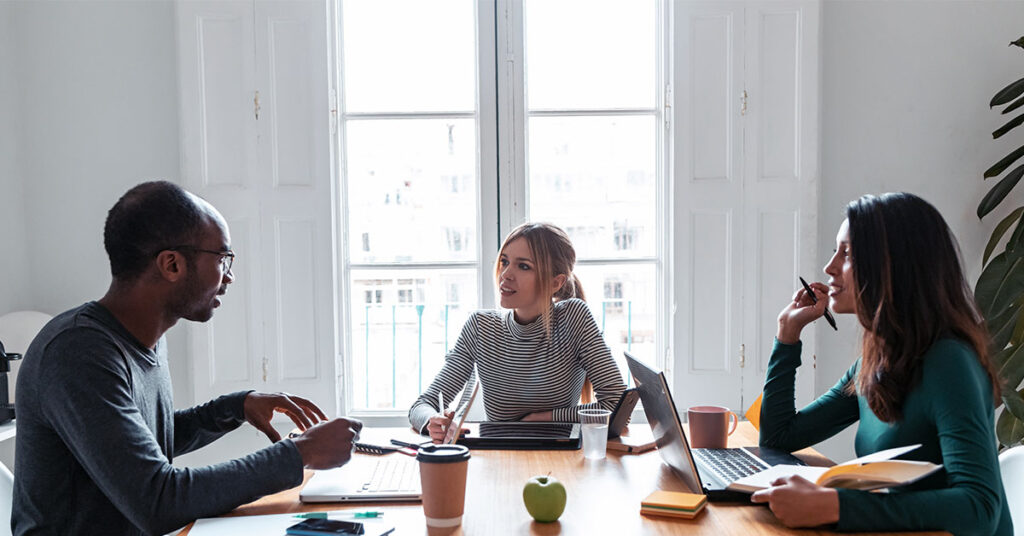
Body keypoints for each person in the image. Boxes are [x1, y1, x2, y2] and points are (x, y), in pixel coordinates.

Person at [13, 181, 363, 536]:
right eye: (223, 258)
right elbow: (159, 502)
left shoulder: (137, 339)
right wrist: (298, 454)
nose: (230, 276)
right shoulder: (78, 352)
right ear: (172, 264)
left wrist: (236, 407)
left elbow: (139, 442)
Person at [752, 192, 1012, 535]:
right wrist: (787, 334)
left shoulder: (948, 362)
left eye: (846, 253)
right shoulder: (878, 361)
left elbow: (979, 508)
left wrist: (834, 506)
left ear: (891, 266)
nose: (830, 267)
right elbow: (779, 436)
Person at [408, 222, 626, 442]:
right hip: (499, 459)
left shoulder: (574, 317)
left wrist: (545, 418)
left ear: (555, 283)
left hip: (561, 459)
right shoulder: (480, 327)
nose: (506, 275)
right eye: (504, 262)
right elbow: (422, 405)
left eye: (523, 266)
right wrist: (432, 422)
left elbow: (616, 404)